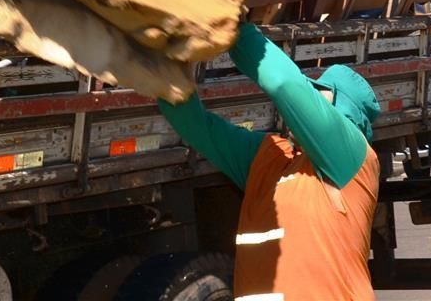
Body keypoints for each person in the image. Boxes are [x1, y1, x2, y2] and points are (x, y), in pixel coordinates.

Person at [159, 23, 381, 299]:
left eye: (319, 96)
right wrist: (163, 66)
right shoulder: (271, 159)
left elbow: (285, 85)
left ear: (342, 112)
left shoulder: (352, 158)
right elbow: (197, 127)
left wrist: (233, 25)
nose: (307, 105)